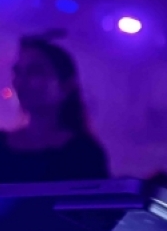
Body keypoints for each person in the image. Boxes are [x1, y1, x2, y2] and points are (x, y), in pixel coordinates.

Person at [1, 37, 109, 183]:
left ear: (66, 85)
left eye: (35, 72)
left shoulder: (83, 153)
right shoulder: (2, 145)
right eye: (18, 72)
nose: (21, 82)